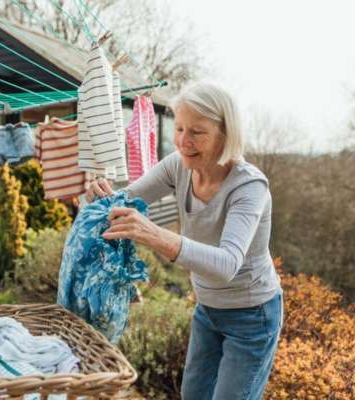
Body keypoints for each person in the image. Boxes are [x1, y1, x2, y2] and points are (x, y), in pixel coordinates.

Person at [86, 82, 283, 399]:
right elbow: (125, 200)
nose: (183, 141)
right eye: (179, 128)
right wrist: (101, 199)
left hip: (252, 316)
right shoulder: (178, 166)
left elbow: (226, 265)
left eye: (196, 132)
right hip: (207, 308)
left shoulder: (249, 187)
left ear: (225, 133)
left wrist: (154, 234)